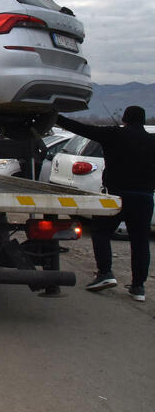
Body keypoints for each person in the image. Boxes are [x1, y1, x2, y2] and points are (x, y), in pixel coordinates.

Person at [56, 107, 155, 301]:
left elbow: (82, 129)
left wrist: (57, 117)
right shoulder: (153, 141)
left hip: (116, 196)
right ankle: (138, 287)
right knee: (140, 241)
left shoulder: (113, 134)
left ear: (124, 119)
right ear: (142, 121)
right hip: (144, 198)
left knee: (101, 232)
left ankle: (105, 274)